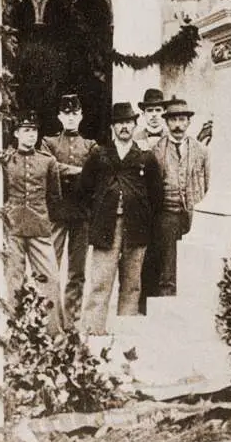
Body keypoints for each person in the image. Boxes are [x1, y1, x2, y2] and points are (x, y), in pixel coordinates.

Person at [81, 102, 163, 332]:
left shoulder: (145, 158)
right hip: (106, 227)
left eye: (128, 122)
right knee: (100, 282)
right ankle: (92, 334)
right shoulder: (100, 155)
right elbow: (83, 190)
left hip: (136, 228)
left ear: (135, 124)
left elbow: (156, 197)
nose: (124, 127)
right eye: (119, 123)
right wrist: (96, 215)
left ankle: (125, 337)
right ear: (112, 127)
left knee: (131, 284)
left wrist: (145, 218)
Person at [4, 112, 63, 335]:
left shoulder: (48, 162)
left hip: (40, 227)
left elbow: (54, 197)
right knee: (13, 281)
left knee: (50, 279)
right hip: (14, 228)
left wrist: (45, 219)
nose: (31, 135)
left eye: (34, 131)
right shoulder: (6, 160)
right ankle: (13, 331)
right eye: (26, 131)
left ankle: (53, 333)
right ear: (17, 133)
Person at [41, 94, 96, 330]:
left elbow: (96, 173)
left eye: (75, 114)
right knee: (50, 268)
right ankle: (48, 321)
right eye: (67, 114)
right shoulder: (48, 143)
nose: (71, 118)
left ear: (81, 116)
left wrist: (73, 172)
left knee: (77, 272)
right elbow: (50, 167)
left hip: (81, 215)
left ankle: (71, 322)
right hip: (58, 214)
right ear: (59, 117)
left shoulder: (90, 145)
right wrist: (80, 171)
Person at [152, 97, 210, 296]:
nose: (178, 125)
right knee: (168, 263)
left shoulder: (201, 151)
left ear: (188, 122)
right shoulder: (157, 151)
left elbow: (208, 183)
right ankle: (168, 304)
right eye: (174, 120)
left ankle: (193, 300)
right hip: (168, 214)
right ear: (167, 123)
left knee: (195, 259)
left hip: (195, 214)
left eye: (182, 119)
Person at [134, 88, 168, 311]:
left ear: (164, 112)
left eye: (158, 110)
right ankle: (140, 302)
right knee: (139, 255)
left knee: (163, 254)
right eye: (149, 110)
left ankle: (162, 304)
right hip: (140, 205)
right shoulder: (135, 138)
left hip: (165, 206)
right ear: (144, 114)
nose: (154, 115)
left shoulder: (172, 138)